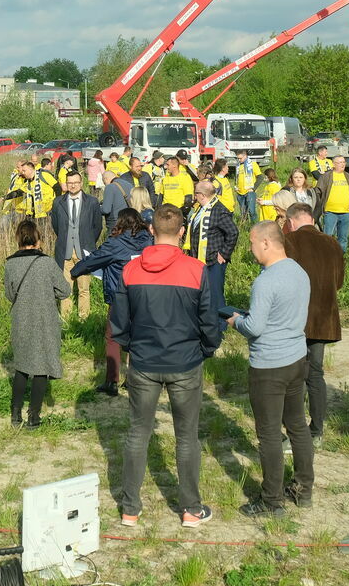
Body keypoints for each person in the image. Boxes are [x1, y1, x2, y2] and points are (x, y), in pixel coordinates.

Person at [112, 203, 222, 528]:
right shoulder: (196, 269)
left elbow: (119, 324)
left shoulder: (130, 270)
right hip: (185, 362)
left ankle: (130, 508)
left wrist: (135, 347)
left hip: (144, 362)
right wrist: (207, 349)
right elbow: (209, 321)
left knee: (137, 433)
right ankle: (190, 509)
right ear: (183, 232)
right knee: (186, 437)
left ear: (151, 230)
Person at [228, 221, 314, 517]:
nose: (250, 250)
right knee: (298, 426)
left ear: (266, 242)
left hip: (269, 366)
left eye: (252, 244)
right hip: (296, 359)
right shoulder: (298, 271)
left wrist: (235, 321)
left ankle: (271, 500)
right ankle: (304, 489)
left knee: (268, 434)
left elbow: (255, 327)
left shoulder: (265, 282)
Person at [72, 208, 153, 397]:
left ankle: (112, 381)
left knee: (113, 337)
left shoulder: (115, 243)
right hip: (144, 296)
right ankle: (135, 380)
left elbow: (93, 260)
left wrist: (75, 271)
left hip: (120, 295)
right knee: (138, 337)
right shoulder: (149, 241)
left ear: (121, 222)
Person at [283, 204, 343, 449]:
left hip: (296, 317)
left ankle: (293, 430)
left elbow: (282, 278)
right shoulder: (332, 243)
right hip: (324, 317)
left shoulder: (290, 240)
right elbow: (338, 281)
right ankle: (317, 430)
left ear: (292, 221)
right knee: (315, 373)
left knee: (294, 375)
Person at [6, 220, 72, 428]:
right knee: (42, 366)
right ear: (38, 239)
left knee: (22, 367)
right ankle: (33, 416)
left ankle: (15, 414)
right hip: (45, 319)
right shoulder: (47, 262)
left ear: (18, 239)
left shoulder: (10, 263)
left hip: (21, 319)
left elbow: (9, 295)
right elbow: (65, 291)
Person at [51, 171, 103, 320]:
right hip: (64, 251)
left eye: (75, 182)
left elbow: (97, 227)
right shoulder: (58, 202)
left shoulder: (92, 202)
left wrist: (88, 243)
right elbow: (56, 225)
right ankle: (66, 318)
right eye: (70, 183)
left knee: (84, 289)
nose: (73, 185)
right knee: (65, 288)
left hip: (84, 252)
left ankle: (83, 318)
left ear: (81, 183)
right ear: (66, 184)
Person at [186, 180, 237, 319]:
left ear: (201, 195)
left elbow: (233, 232)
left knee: (215, 294)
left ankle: (220, 325)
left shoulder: (219, 210)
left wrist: (224, 253)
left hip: (213, 260)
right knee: (202, 293)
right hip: (199, 260)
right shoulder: (201, 208)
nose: (194, 197)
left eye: (195, 193)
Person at [313, 155, 349, 252]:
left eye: (343, 162)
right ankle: (327, 257)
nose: (342, 164)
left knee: (343, 238)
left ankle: (340, 258)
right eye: (339, 162)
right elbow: (318, 191)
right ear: (333, 164)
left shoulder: (348, 176)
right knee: (327, 237)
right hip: (330, 212)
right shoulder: (326, 176)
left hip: (345, 212)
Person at [234, 150, 260, 222]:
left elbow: (260, 177)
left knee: (251, 211)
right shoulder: (238, 166)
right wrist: (236, 186)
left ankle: (254, 225)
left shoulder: (252, 164)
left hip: (249, 192)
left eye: (240, 158)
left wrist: (254, 188)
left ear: (245, 156)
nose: (239, 160)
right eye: (238, 158)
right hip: (240, 193)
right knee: (243, 213)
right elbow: (236, 177)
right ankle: (245, 227)